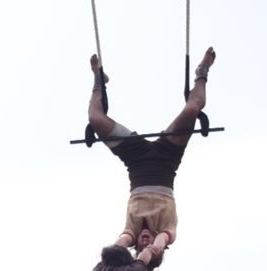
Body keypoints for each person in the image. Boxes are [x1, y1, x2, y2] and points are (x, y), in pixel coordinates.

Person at [86, 48, 216, 259]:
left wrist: (125, 263)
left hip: (135, 159)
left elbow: (120, 246)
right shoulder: (168, 232)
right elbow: (157, 244)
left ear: (134, 244)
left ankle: (98, 81)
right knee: (192, 109)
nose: (144, 240)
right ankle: (202, 72)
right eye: (150, 244)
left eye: (140, 245)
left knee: (95, 118)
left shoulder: (131, 232)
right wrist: (148, 254)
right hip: (167, 158)